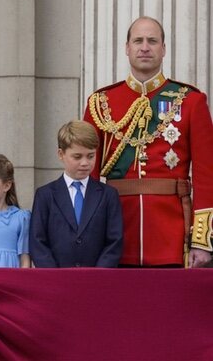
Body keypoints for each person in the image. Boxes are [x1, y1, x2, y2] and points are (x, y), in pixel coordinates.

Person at [83, 16, 213, 267]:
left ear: (163, 49)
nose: (145, 47)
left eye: (152, 41)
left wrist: (201, 241)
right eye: (138, 40)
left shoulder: (191, 101)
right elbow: (87, 175)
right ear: (127, 48)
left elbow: (206, 176)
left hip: (173, 233)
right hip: (115, 231)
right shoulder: (101, 103)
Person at [29, 120, 124, 267]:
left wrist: (99, 274)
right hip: (57, 280)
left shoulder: (108, 195)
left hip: (97, 280)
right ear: (61, 154)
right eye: (77, 157)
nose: (85, 163)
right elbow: (38, 241)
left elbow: (114, 240)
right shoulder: (45, 195)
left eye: (90, 156)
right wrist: (53, 275)